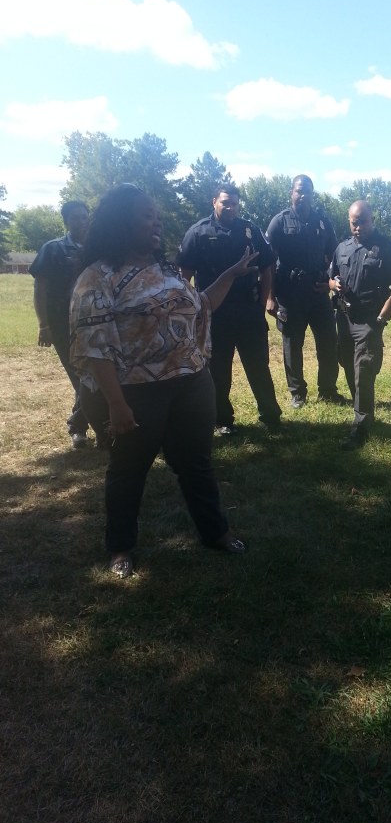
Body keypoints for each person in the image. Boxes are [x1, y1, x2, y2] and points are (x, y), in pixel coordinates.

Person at [70, 184, 258, 578]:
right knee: (128, 470)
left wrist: (231, 274)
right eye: (147, 216)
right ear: (121, 222)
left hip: (192, 384)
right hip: (136, 393)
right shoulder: (97, 277)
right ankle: (120, 547)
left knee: (197, 464)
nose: (157, 223)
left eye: (158, 217)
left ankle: (216, 533)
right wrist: (116, 404)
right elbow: (95, 346)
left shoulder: (167, 270)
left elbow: (202, 305)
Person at [177, 183, 281, 435]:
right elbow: (184, 275)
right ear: (214, 202)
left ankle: (271, 416)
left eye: (234, 203)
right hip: (215, 313)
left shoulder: (250, 230)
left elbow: (267, 267)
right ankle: (223, 420)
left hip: (248, 310)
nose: (230, 207)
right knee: (218, 370)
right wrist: (190, 310)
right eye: (225, 202)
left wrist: (263, 302)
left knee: (258, 365)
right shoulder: (198, 232)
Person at [29, 201, 108, 448]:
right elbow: (40, 289)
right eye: (75, 218)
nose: (81, 222)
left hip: (94, 322)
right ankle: (88, 429)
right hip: (63, 324)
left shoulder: (98, 248)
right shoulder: (53, 249)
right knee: (80, 377)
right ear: (66, 221)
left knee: (95, 374)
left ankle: (86, 425)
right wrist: (44, 325)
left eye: (85, 217)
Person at [329, 200, 391, 449]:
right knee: (348, 364)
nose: (358, 227)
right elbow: (330, 278)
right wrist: (334, 285)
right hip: (344, 318)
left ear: (372, 220)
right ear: (349, 221)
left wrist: (382, 317)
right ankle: (363, 410)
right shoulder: (342, 247)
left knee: (363, 368)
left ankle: (360, 427)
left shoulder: (386, 247)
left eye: (363, 221)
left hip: (370, 319)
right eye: (354, 222)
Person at [266, 174, 346, 408]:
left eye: (307, 192)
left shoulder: (322, 221)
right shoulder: (279, 222)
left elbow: (335, 255)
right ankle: (297, 393)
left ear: (312, 195)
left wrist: (330, 281)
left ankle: (328, 390)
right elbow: (268, 263)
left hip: (318, 291)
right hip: (290, 293)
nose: (303, 195)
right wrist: (270, 297)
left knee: (328, 342)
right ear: (291, 193)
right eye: (299, 191)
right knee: (292, 345)